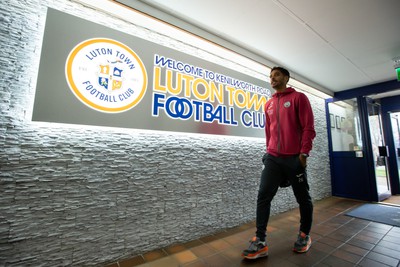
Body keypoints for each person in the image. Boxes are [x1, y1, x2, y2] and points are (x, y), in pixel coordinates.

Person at [242, 66, 316, 259]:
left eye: (276, 75)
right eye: (270, 76)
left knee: (303, 198)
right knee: (263, 195)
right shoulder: (268, 104)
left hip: (294, 158)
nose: (272, 79)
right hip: (273, 158)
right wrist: (268, 152)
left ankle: (304, 235)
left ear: (286, 78)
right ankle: (260, 241)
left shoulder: (299, 98)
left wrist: (303, 154)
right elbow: (269, 131)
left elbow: (308, 127)